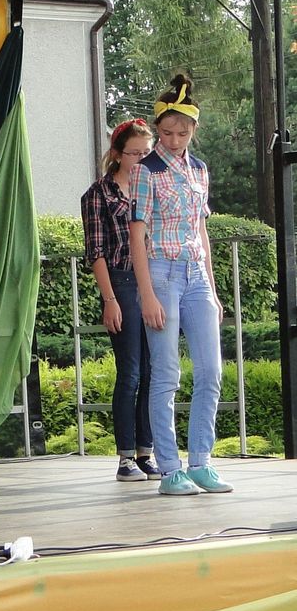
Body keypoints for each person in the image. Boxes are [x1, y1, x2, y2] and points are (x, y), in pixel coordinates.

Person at [129, 74, 232, 495]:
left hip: (196, 276)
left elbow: (201, 230)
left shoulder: (199, 170)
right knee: (166, 373)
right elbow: (137, 235)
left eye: (182, 133)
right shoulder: (146, 170)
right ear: (158, 129)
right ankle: (170, 468)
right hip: (161, 274)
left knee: (211, 370)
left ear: (193, 130)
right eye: (168, 132)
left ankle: (201, 461)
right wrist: (147, 294)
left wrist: (213, 289)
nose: (174, 140)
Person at [81, 118, 160, 482]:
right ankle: (125, 456)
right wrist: (109, 298)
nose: (142, 159)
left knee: (153, 370)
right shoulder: (98, 194)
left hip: (154, 281)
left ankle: (147, 451)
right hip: (122, 281)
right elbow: (95, 252)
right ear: (117, 154)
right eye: (135, 153)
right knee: (130, 371)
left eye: (147, 152)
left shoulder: (153, 187)